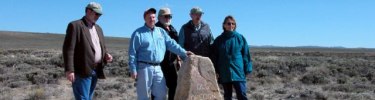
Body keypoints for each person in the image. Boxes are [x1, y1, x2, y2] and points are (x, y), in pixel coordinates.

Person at [128, 8, 194, 100]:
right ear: (145, 19)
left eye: (153, 17)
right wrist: (133, 69)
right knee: (143, 96)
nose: (152, 19)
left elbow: (172, 44)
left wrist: (184, 52)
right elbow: (132, 52)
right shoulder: (138, 33)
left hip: (158, 67)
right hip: (144, 67)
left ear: (156, 18)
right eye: (149, 17)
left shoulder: (161, 32)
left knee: (161, 94)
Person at [62, 2, 113, 100]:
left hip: (95, 70)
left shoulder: (98, 29)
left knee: (88, 98)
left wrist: (106, 55)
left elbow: (101, 47)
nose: (98, 16)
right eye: (96, 13)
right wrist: (69, 70)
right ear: (88, 11)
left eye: (100, 14)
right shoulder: (75, 26)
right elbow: (68, 49)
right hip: (82, 71)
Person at [210, 15, 252, 100]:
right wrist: (216, 70)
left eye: (233, 24)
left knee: (242, 95)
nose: (231, 25)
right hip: (224, 72)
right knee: (227, 96)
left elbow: (246, 54)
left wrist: (248, 68)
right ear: (224, 25)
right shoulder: (219, 40)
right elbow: (214, 56)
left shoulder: (240, 38)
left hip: (238, 71)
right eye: (229, 23)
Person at [154, 7, 179, 100]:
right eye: (166, 16)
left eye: (170, 16)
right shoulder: (155, 29)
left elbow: (176, 45)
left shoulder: (173, 30)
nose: (168, 18)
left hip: (170, 63)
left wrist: (178, 58)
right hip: (158, 64)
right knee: (157, 89)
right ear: (160, 17)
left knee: (174, 86)